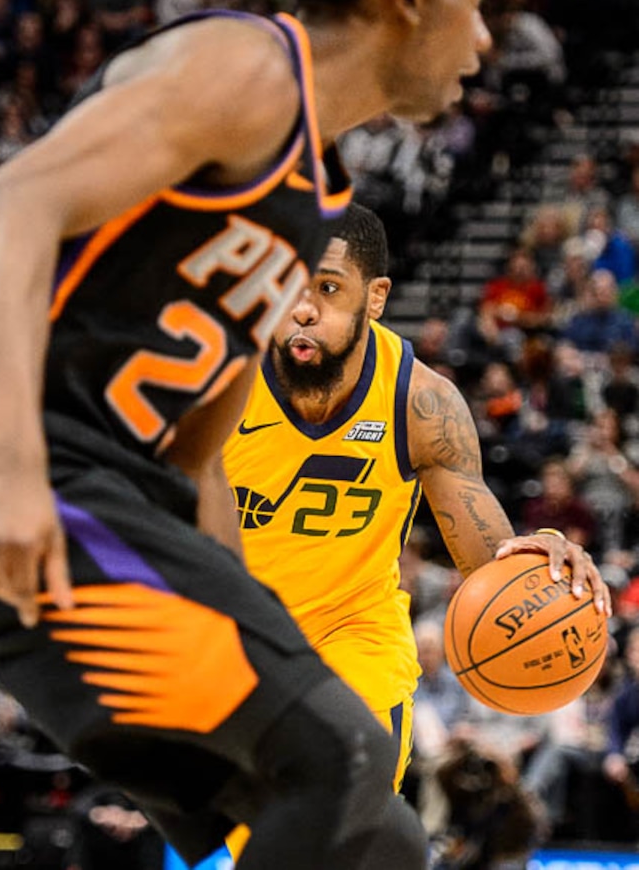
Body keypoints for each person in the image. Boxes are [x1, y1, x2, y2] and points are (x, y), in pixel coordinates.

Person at [0, 0, 520, 869]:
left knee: (378, 834)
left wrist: (251, 619)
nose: (483, 39)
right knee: (336, 757)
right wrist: (14, 467)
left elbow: (198, 451)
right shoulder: (247, 67)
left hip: (107, 490)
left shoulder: (313, 197)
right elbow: (5, 210)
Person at [217, 202, 611, 867]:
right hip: (231, 645)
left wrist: (539, 563)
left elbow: (491, 563)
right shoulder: (219, 382)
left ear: (375, 298)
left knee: (332, 806)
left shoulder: (419, 403)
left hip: (354, 641)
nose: (303, 308)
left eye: (328, 287)